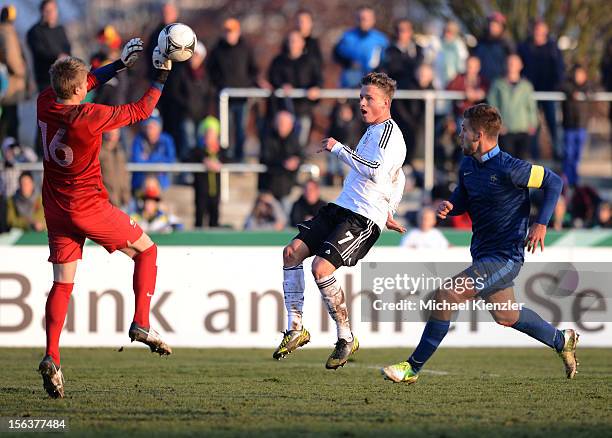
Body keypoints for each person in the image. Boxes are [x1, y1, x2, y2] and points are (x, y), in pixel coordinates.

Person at [381, 103, 578, 384]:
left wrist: (542, 222)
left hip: (505, 257)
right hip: (483, 254)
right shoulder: (468, 164)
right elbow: (464, 195)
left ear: (480, 135)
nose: (459, 134)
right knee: (506, 315)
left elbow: (554, 182)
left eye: (464, 130)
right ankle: (562, 340)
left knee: (446, 295)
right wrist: (453, 205)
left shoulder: (512, 168)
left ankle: (412, 368)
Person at [36, 38, 174, 399]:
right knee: (147, 251)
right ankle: (141, 323)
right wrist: (161, 74)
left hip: (55, 207)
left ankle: (52, 355)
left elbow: (83, 82)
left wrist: (117, 66)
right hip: (88, 206)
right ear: (80, 90)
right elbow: (141, 110)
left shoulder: (45, 102)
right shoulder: (88, 117)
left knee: (62, 283)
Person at [274, 72, 406, 369]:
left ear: (385, 102)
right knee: (291, 253)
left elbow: (375, 170)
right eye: (361, 96)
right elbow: (396, 175)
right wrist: (392, 208)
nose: (361, 102)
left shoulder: (388, 133)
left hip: (362, 218)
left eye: (368, 98)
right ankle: (295, 329)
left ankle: (346, 337)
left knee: (321, 268)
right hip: (342, 207)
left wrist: (338, 148)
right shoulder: (373, 131)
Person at [207, 17, 260, 161]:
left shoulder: (246, 49)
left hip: (241, 97)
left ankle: (240, 158)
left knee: (241, 130)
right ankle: (226, 156)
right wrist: (219, 85)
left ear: (238, 32)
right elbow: (210, 71)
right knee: (225, 129)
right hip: (224, 97)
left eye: (232, 31)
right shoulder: (217, 50)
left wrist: (248, 85)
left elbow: (253, 70)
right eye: (227, 31)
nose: (229, 34)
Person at [518, 20, 565, 159]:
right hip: (530, 93)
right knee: (533, 125)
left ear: (546, 31)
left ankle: (558, 153)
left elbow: (560, 69)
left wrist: (558, 85)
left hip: (550, 92)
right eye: (536, 30)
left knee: (554, 124)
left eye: (541, 30)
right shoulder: (524, 47)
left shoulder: (553, 48)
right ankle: (534, 155)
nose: (538, 33)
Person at [268, 30, 322, 147]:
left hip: (303, 108)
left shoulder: (310, 61)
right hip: (284, 109)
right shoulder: (279, 61)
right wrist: (282, 86)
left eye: (296, 41)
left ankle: (300, 161)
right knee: (283, 141)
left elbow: (318, 79)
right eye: (290, 41)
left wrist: (315, 88)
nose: (293, 44)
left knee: (301, 142)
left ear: (302, 43)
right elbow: (272, 78)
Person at [380, 19, 423, 165]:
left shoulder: (419, 50)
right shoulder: (389, 51)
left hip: (416, 100)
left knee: (413, 132)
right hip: (398, 100)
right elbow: (392, 70)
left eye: (405, 30)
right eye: (399, 30)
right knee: (397, 132)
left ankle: (409, 164)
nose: (401, 34)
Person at [487, 54, 538, 159]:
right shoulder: (497, 85)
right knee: (506, 162)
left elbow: (531, 107)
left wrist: (533, 123)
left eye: (515, 64)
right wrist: (497, 125)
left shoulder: (526, 86)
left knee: (521, 162)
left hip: (523, 128)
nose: (512, 66)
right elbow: (492, 107)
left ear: (520, 66)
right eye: (510, 63)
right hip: (505, 129)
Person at [333, 7, 389, 88]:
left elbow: (386, 61)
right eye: (361, 18)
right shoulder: (347, 36)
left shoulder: (381, 39)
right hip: (350, 85)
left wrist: (376, 71)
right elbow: (337, 55)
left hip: (373, 85)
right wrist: (350, 63)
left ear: (373, 20)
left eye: (367, 19)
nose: (363, 21)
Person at [26, 0, 71, 92]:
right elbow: (39, 51)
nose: (51, 13)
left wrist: (65, 57)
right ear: (42, 12)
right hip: (45, 79)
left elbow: (67, 47)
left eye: (53, 10)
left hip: (63, 77)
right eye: (47, 11)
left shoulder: (60, 29)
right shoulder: (34, 31)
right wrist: (57, 57)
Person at [259, 110, 302, 201]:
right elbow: (266, 158)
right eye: (280, 123)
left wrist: (297, 161)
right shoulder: (268, 138)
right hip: (269, 186)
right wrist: (284, 163)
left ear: (291, 125)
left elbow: (302, 155)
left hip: (287, 186)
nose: (282, 127)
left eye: (285, 124)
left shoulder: (294, 139)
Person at [0, 4, 28, 143]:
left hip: (6, 83)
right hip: (11, 83)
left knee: (7, 116)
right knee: (10, 119)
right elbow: (11, 56)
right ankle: (11, 151)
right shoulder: (7, 31)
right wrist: (21, 70)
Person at [561, 64, 591, 187]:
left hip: (582, 126)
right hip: (569, 126)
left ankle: (575, 179)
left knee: (577, 155)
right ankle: (567, 180)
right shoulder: (567, 86)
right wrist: (572, 93)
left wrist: (585, 92)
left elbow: (595, 90)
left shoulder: (588, 87)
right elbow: (562, 87)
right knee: (568, 154)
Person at [190, 116, 223, 228]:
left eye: (213, 134)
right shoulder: (198, 151)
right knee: (199, 218)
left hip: (215, 191)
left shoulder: (220, 151)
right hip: (202, 191)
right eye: (208, 134)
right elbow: (191, 156)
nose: (210, 137)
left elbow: (228, 158)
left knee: (214, 219)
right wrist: (205, 161)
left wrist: (218, 163)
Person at [130, 114, 177, 192]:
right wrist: (159, 162)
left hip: (161, 183)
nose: (150, 130)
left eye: (153, 126)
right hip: (141, 183)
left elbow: (171, 160)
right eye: (148, 126)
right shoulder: (138, 140)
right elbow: (137, 161)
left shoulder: (166, 140)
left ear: (159, 128)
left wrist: (151, 158)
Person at [473, 12, 514, 83]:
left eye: (496, 25)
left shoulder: (507, 45)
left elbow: (512, 65)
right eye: (491, 24)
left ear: (502, 27)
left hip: (499, 83)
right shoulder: (480, 43)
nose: (492, 27)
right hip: (481, 83)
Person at [99, 128, 130, 209]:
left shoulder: (121, 151)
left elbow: (125, 175)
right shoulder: (100, 152)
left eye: (115, 133)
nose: (113, 135)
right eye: (111, 132)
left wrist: (126, 196)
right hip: (106, 201)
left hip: (121, 200)